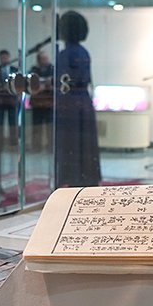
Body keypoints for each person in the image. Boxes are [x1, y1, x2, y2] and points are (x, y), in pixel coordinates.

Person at [54, 11, 101, 187]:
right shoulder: (84, 52)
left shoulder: (65, 54)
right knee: (84, 142)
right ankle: (86, 177)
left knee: (70, 142)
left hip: (69, 102)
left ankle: (71, 178)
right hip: (83, 100)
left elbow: (61, 79)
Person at [0, 49, 20, 150]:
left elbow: (19, 84)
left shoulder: (15, 70)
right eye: (2, 58)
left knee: (13, 123)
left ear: (9, 58)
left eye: (5, 57)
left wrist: (19, 96)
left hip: (12, 100)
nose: (4, 59)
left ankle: (13, 144)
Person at [28, 50, 54, 150]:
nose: (45, 60)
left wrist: (48, 86)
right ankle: (36, 147)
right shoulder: (33, 70)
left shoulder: (53, 69)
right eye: (43, 59)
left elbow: (56, 83)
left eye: (46, 58)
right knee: (36, 126)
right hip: (37, 102)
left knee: (50, 127)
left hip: (49, 102)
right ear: (38, 60)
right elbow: (29, 83)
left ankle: (51, 147)